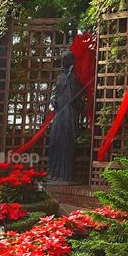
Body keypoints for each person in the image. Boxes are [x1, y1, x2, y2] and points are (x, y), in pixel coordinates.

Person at [47, 49, 80, 183]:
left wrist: (70, 80)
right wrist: (53, 100)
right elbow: (54, 93)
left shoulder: (74, 79)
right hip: (59, 113)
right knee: (55, 141)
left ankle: (65, 174)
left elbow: (74, 97)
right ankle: (54, 172)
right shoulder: (59, 77)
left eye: (67, 59)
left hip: (68, 113)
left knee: (66, 143)